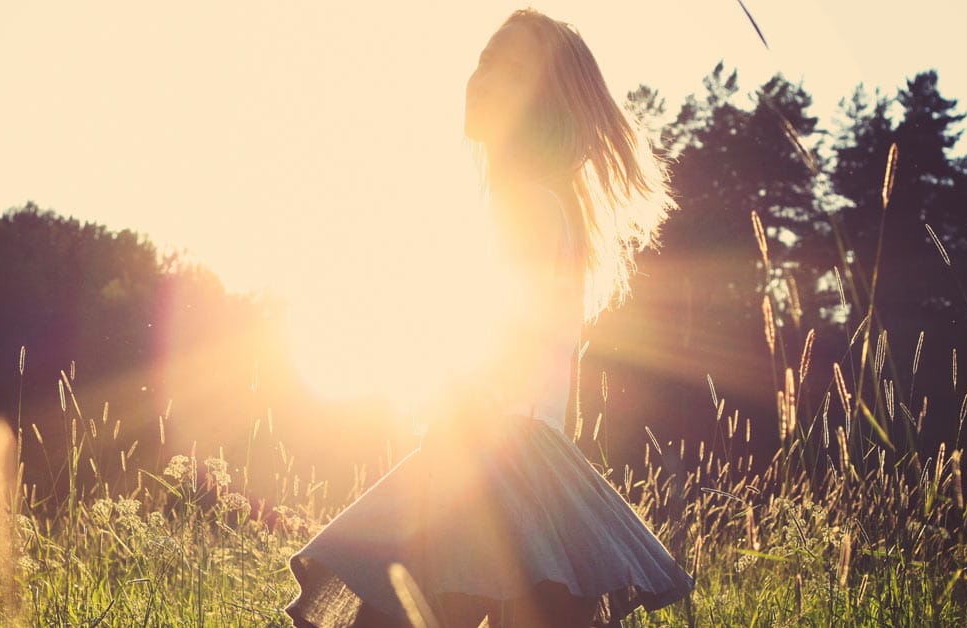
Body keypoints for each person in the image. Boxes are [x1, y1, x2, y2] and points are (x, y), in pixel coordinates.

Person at [285, 8, 694, 627]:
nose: (485, 78)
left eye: (513, 71)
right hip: (532, 472)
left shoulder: (526, 204)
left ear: (546, 100)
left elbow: (497, 346)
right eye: (485, 62)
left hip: (486, 467)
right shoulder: (544, 204)